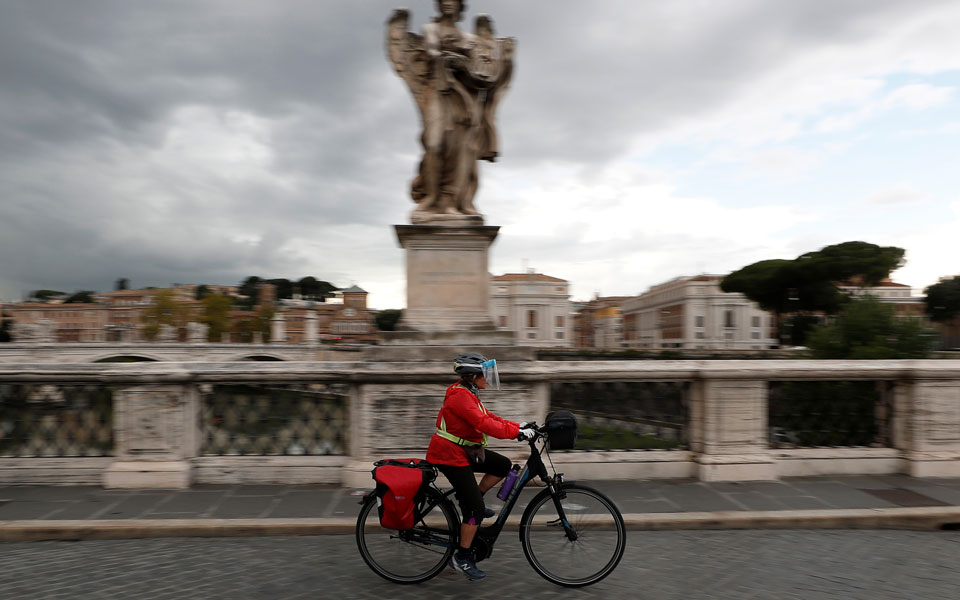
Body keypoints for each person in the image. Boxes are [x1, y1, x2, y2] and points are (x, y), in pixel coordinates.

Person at [425, 352, 534, 581]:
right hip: (449, 455)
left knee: (502, 465)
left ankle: (472, 501)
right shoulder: (460, 396)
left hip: (465, 450)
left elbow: (490, 417)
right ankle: (462, 557)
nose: (488, 378)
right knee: (474, 509)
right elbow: (483, 423)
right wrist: (516, 434)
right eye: (484, 374)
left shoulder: (469, 393)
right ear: (472, 376)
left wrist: (519, 426)